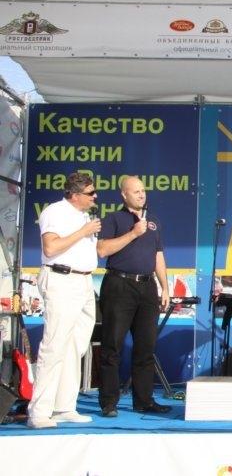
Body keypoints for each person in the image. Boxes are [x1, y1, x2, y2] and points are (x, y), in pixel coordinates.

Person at [27, 172, 101, 429]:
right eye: (90, 193)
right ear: (75, 195)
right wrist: (83, 232)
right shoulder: (55, 212)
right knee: (55, 345)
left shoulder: (84, 217)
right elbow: (50, 248)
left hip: (84, 281)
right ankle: (39, 411)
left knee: (75, 346)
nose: (95, 196)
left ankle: (63, 406)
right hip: (61, 278)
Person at [96, 176, 171, 417]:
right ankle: (109, 402)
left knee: (146, 347)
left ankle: (144, 400)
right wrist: (133, 234)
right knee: (112, 346)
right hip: (119, 284)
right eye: (136, 191)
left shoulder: (154, 221)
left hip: (147, 287)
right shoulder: (113, 219)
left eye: (143, 191)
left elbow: (158, 256)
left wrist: (165, 288)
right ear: (124, 195)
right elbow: (102, 250)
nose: (141, 195)